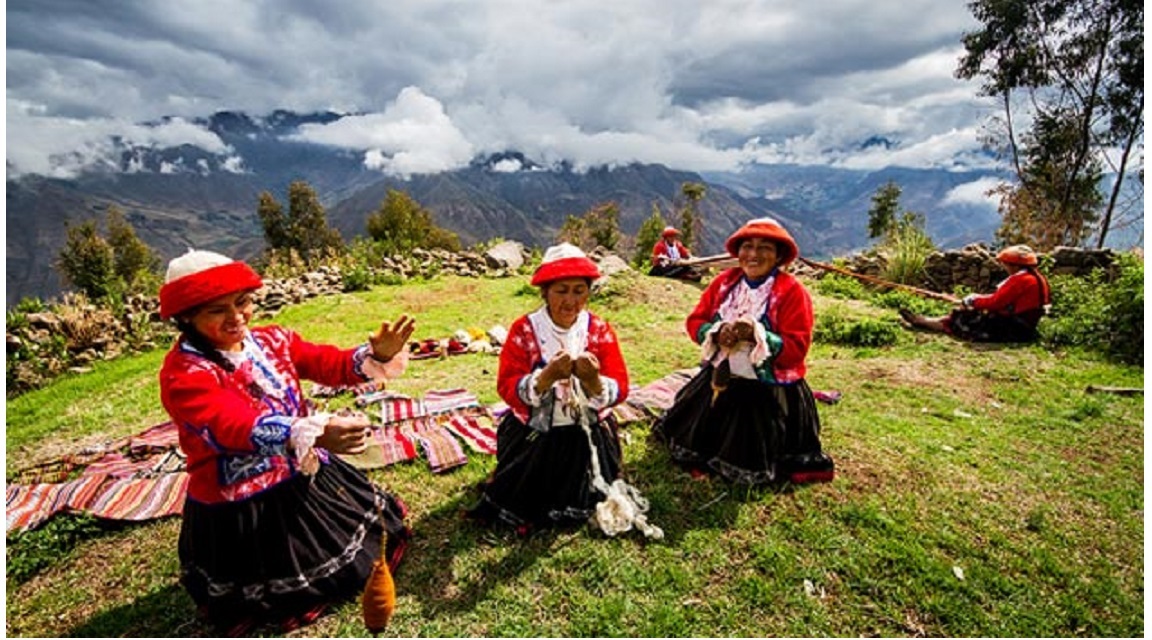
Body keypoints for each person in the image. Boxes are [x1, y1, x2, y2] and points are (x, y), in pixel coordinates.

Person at [157, 249, 417, 636]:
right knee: (282, 590)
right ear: (187, 318)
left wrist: (375, 355)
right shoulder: (184, 375)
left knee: (366, 543)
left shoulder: (272, 340)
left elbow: (323, 362)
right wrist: (311, 431)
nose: (237, 317)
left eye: (242, 302)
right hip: (241, 502)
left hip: (298, 472)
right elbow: (230, 424)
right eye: (217, 310)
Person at [653, 217, 835, 485]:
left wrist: (758, 337)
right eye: (747, 246)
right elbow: (695, 321)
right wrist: (715, 331)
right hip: (721, 375)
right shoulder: (725, 283)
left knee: (749, 436)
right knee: (688, 427)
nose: (753, 254)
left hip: (768, 386)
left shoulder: (792, 292)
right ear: (738, 252)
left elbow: (797, 349)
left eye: (764, 248)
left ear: (778, 255)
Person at [467, 243, 631, 534]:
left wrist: (593, 381)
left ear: (589, 291)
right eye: (561, 290)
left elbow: (621, 386)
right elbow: (506, 386)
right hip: (536, 435)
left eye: (579, 290)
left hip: (587, 434)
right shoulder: (524, 330)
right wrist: (545, 378)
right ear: (545, 292)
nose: (570, 300)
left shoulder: (599, 330)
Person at [899, 245, 1051, 342]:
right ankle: (926, 320)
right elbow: (1003, 300)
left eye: (1006, 264)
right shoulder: (1034, 278)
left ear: (1015, 265)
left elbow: (996, 303)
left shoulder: (1021, 281)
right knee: (969, 312)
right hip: (1023, 325)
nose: (1005, 267)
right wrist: (977, 299)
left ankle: (924, 322)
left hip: (1014, 327)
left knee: (965, 316)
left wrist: (973, 301)